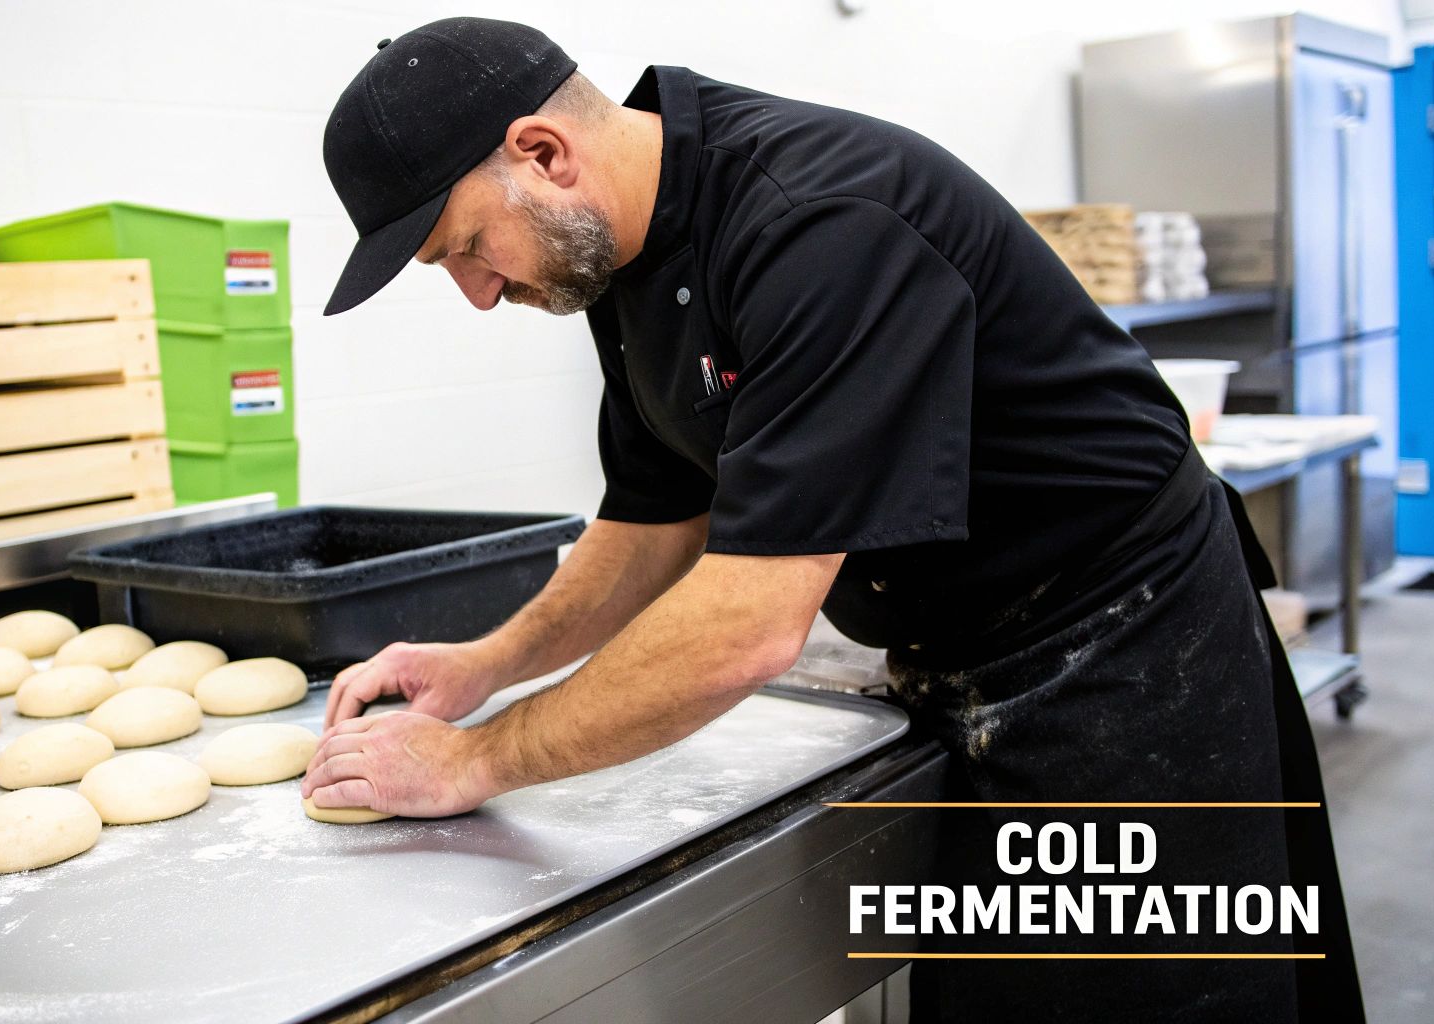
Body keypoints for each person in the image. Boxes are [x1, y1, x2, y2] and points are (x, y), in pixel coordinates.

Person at [302, 17, 1362, 1021]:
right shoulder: (619, 261)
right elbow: (654, 525)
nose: (479, 296)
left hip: (1124, 643)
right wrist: (487, 664)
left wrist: (476, 761)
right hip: (956, 651)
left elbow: (748, 623)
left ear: (542, 153)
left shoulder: (817, 221)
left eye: (464, 250)